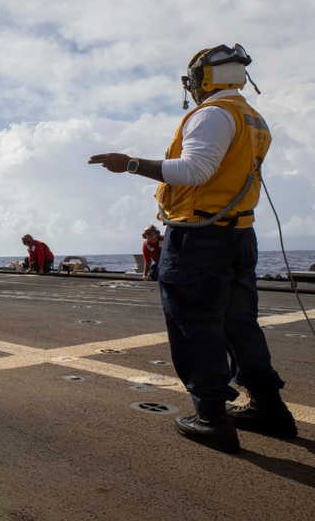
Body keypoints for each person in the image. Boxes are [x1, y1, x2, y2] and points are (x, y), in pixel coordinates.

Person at [88, 43, 295, 453]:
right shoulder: (252, 118)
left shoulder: (213, 114)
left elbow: (196, 170)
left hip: (201, 239)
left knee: (194, 325)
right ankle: (269, 407)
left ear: (204, 79)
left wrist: (130, 164)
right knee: (239, 324)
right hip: (238, 235)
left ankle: (212, 417)